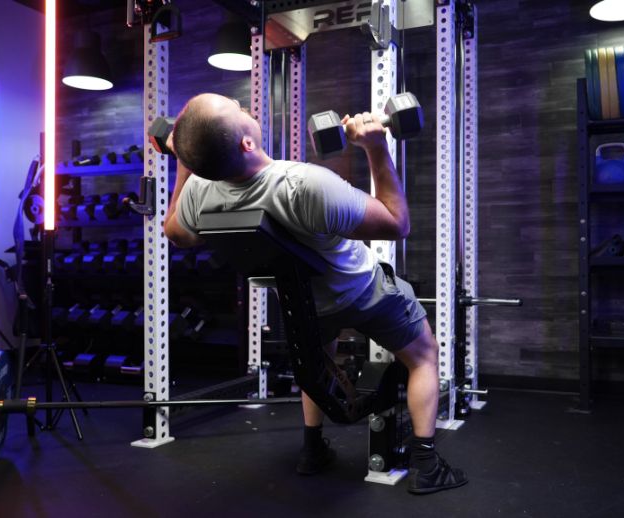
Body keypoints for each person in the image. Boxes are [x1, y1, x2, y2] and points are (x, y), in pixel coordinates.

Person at [161, 93, 467, 494]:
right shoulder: (305, 184)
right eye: (238, 110)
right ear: (247, 144)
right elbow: (397, 223)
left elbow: (175, 234)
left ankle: (312, 448)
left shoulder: (199, 194)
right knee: (424, 355)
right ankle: (427, 463)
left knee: (316, 360)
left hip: (305, 305)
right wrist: (376, 147)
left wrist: (186, 163)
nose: (245, 107)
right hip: (362, 290)